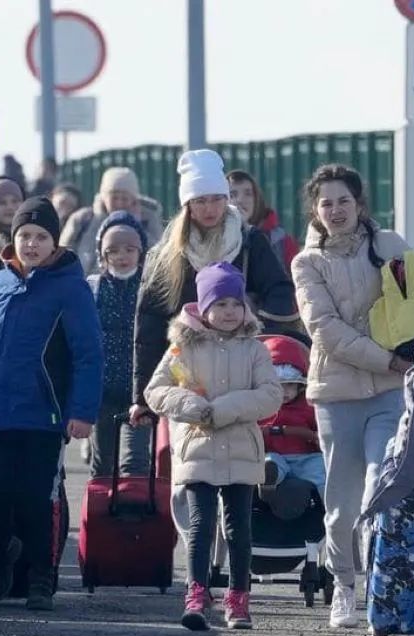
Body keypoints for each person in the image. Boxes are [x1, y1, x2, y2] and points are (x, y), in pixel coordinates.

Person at [291, 163, 414, 629]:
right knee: (340, 502)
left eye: (344, 201)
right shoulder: (307, 263)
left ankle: (383, 586)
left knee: (382, 485)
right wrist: (388, 359)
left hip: (390, 391)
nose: (336, 210)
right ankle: (343, 584)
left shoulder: (390, 245)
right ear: (315, 211)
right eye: (326, 203)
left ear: (360, 204)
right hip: (337, 393)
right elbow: (326, 330)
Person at [0, 196, 102, 611]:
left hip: (45, 414)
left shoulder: (71, 288)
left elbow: (89, 354)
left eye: (40, 236)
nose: (31, 244)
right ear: (13, 238)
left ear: (54, 242)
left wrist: (82, 412)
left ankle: (40, 579)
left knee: (37, 499)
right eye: (24, 235)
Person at [144, 262, 282, 631]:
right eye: (219, 304)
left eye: (235, 304)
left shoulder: (255, 349)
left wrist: (224, 410)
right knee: (201, 524)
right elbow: (156, 390)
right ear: (203, 307)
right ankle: (197, 592)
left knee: (239, 527)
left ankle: (238, 597)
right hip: (198, 448)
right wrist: (189, 406)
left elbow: (271, 394)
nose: (228, 312)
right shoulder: (182, 348)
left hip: (240, 448)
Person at [130, 150, 298, 427]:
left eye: (217, 199)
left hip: (241, 372)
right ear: (187, 205)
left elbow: (279, 291)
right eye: (200, 201)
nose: (210, 209)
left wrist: (257, 336)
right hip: (188, 377)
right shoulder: (167, 254)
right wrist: (142, 397)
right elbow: (149, 324)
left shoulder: (249, 242)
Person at [86, 210, 151, 479]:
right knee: (103, 464)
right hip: (102, 392)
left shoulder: (150, 288)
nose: (122, 256)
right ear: (102, 255)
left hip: (140, 393)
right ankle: (101, 518)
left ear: (141, 252)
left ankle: (134, 517)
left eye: (129, 249)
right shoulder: (93, 288)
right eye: (113, 250)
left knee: (135, 464)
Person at [61, 167, 164, 275]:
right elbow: (71, 261)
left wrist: (137, 225)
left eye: (124, 199)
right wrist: (98, 221)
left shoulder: (148, 220)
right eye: (114, 198)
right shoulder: (82, 219)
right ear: (104, 198)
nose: (119, 204)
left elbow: (157, 260)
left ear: (134, 200)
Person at [257, 334, 324, 496]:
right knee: (269, 462)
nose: (284, 392)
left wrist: (318, 437)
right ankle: (268, 480)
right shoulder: (259, 408)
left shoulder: (308, 406)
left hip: (305, 456)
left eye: (290, 386)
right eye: (279, 386)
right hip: (273, 454)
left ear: (300, 387)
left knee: (321, 469)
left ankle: (332, 509)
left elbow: (321, 429)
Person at [227, 170, 298, 272]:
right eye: (232, 194)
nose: (240, 200)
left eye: (248, 194)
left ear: (257, 199)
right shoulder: (212, 238)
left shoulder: (281, 241)